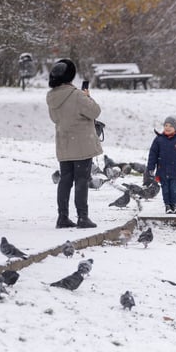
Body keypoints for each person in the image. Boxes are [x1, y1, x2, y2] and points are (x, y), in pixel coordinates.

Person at [46, 58, 103, 229]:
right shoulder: (77, 95)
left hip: (64, 144)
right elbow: (95, 112)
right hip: (82, 145)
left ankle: (62, 217)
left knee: (65, 180)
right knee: (81, 180)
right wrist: (88, 97)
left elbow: (54, 118)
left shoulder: (51, 96)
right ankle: (82, 217)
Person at [147, 116, 176, 214]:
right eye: (166, 125)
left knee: (174, 189)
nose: (167, 127)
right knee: (165, 189)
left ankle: (175, 205)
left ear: (175, 128)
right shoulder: (159, 139)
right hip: (162, 170)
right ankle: (167, 205)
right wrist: (150, 167)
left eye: (170, 126)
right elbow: (153, 154)